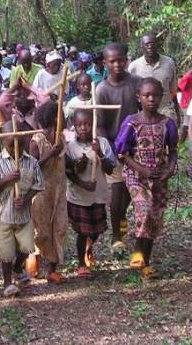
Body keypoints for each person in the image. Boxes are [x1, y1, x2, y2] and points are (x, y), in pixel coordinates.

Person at [115, 78, 178, 279]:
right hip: (136, 176)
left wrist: (170, 169)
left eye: (156, 95)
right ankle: (139, 254)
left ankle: (144, 260)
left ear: (161, 97)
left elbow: (173, 150)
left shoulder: (167, 123)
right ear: (138, 97)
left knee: (154, 218)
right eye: (147, 95)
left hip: (158, 177)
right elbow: (121, 153)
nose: (151, 99)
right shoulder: (132, 122)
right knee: (145, 210)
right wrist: (141, 169)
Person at [0, 120, 44, 297]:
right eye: (12, 145)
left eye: (20, 143)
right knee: (6, 253)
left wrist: (26, 200)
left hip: (24, 217)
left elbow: (38, 185)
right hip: (5, 216)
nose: (16, 148)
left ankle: (18, 268)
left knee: (27, 248)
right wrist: (7, 179)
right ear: (3, 141)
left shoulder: (31, 162)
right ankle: (7, 283)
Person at [96, 43, 140, 252]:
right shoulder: (102, 89)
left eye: (120, 60)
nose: (117, 64)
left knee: (132, 189)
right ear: (105, 63)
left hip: (136, 148)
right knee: (117, 191)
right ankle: (116, 236)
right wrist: (111, 150)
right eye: (112, 61)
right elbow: (101, 124)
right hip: (114, 147)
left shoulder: (136, 83)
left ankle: (121, 216)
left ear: (126, 60)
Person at [65, 110, 116, 278]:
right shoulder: (70, 147)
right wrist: (79, 169)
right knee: (82, 231)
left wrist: (99, 153)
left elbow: (110, 169)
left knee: (96, 230)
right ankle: (81, 263)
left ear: (93, 125)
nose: (84, 128)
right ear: (74, 126)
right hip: (79, 197)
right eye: (80, 125)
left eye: (87, 124)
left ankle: (89, 246)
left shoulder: (102, 143)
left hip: (98, 196)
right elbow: (69, 172)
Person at [28, 102, 67, 282]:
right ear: (54, 119)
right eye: (61, 115)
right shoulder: (36, 141)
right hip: (41, 193)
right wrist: (50, 154)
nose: (64, 118)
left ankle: (52, 269)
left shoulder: (62, 139)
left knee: (59, 228)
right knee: (41, 230)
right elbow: (31, 167)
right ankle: (33, 260)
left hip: (58, 191)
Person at [128, 33, 180, 124]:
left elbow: (173, 91)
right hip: (143, 113)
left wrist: (177, 113)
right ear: (141, 47)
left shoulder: (169, 63)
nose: (150, 47)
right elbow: (131, 95)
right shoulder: (134, 67)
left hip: (165, 110)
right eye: (147, 44)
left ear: (158, 45)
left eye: (153, 44)